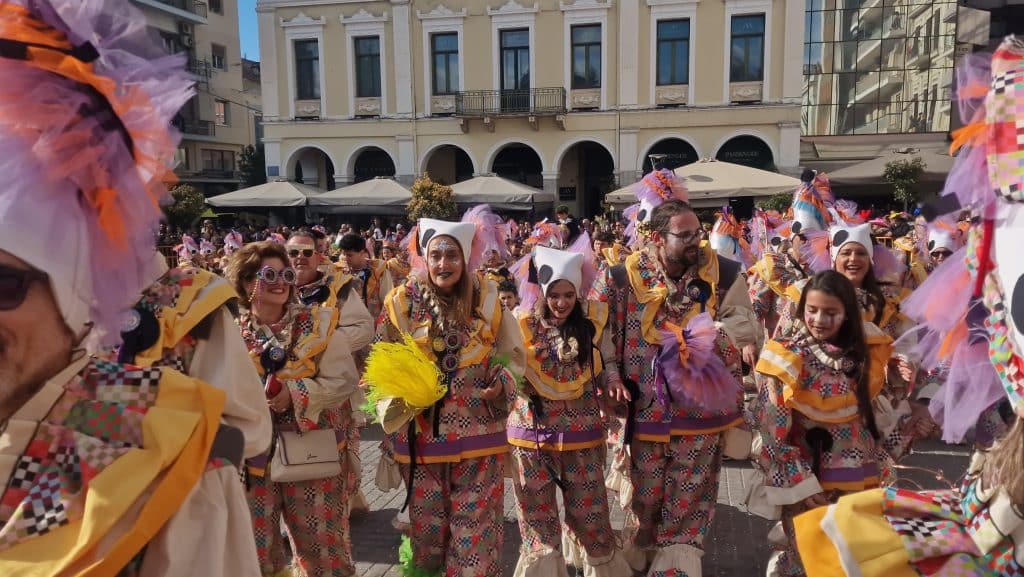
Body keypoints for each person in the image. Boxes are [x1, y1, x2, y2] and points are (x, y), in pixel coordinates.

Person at [0, 0, 260, 573]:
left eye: (4, 283)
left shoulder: (198, 305)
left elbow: (246, 427)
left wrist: (191, 438)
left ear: (73, 300)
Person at [792, 36, 1024, 577]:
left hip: (880, 422)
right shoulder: (805, 297)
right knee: (823, 522)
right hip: (818, 427)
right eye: (843, 252)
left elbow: (934, 348)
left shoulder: (899, 297)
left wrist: (914, 391)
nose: (851, 262)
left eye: (859, 254)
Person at [595, 169, 751, 576]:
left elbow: (745, 324)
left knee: (689, 501)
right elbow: (601, 332)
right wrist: (610, 374)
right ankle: (645, 557)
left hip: (699, 415)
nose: (696, 242)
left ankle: (676, 567)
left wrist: (713, 334)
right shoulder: (619, 277)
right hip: (643, 412)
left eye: (698, 233)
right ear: (657, 238)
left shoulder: (726, 273)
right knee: (645, 502)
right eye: (685, 236)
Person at [749, 271, 928, 577]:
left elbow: (878, 424)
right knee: (810, 559)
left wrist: (911, 421)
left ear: (846, 314)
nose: (819, 319)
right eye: (812, 310)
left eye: (830, 312)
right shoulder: (786, 358)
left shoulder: (871, 354)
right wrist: (800, 485)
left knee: (852, 562)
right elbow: (772, 432)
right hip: (812, 483)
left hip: (863, 481)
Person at [375, 211, 524, 576]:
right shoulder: (399, 302)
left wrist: (502, 380)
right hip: (422, 442)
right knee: (427, 540)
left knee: (475, 539)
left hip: (480, 441)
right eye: (436, 255)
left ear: (465, 258)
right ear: (424, 257)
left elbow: (514, 355)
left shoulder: (488, 298)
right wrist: (395, 402)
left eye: (452, 255)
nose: (444, 263)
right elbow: (378, 364)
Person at [225, 242, 362, 577]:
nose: (281, 282)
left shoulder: (318, 323)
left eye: (285, 274)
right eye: (268, 274)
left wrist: (297, 394)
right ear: (245, 282)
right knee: (255, 556)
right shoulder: (226, 331)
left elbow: (343, 380)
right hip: (249, 463)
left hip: (311, 457)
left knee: (325, 553)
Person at [508, 243, 633, 577]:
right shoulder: (521, 323)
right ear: (542, 293)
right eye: (554, 295)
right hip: (531, 433)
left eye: (568, 295)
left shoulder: (593, 320)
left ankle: (599, 565)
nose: (561, 303)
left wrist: (614, 381)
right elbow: (506, 363)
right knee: (536, 513)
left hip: (582, 431)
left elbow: (607, 359)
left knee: (590, 508)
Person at [286, 229, 375, 516]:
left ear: (319, 256)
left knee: (339, 452)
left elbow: (363, 328)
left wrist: (320, 349)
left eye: (307, 252)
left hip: (332, 388)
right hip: (285, 393)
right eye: (293, 253)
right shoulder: (271, 287)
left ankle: (339, 510)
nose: (300, 258)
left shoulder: (338, 286)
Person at [337, 233, 394, 322]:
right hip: (347, 328)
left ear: (362, 253)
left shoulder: (379, 271)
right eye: (344, 254)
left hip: (372, 327)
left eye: (349, 255)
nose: (345, 258)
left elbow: (388, 302)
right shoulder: (339, 271)